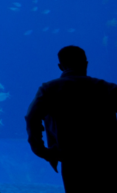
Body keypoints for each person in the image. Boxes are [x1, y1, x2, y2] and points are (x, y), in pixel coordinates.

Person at [25, 45, 117, 192]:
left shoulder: (49, 89)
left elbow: (31, 118)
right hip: (106, 158)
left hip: (70, 158)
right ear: (86, 63)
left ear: (60, 66)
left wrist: (42, 151)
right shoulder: (107, 88)